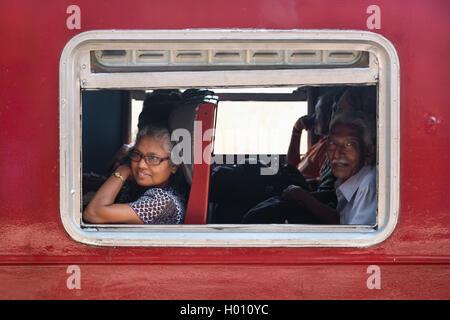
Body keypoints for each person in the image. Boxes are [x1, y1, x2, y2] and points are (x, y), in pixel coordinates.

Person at [243, 111, 376, 225]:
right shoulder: (346, 178)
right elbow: (335, 197)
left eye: (349, 144)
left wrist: (304, 197)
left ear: (369, 153)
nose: (337, 153)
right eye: (332, 144)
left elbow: (355, 236)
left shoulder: (368, 185)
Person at [83, 125, 186, 224]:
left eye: (153, 158)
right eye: (137, 154)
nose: (141, 165)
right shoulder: (140, 186)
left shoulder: (164, 203)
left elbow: (93, 214)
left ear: (174, 166)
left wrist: (123, 170)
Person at [286, 92, 334, 181]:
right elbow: (291, 167)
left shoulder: (330, 148)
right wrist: (296, 130)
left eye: (317, 112)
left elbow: (320, 182)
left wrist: (295, 184)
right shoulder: (321, 143)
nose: (313, 117)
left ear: (328, 117)